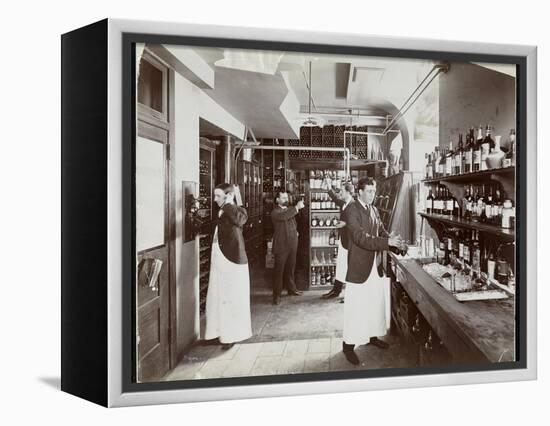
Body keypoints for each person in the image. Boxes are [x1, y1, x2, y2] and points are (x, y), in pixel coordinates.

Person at [342, 177, 403, 365]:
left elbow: (381, 231)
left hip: (374, 267)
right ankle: (348, 346)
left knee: (374, 304)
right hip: (359, 267)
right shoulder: (352, 210)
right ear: (359, 192)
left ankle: (371, 337)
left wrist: (394, 241)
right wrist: (387, 243)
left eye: (373, 191)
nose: (372, 195)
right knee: (356, 308)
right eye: (369, 191)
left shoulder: (374, 209)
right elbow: (361, 238)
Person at [204, 183, 252, 350]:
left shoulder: (237, 211)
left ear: (228, 196)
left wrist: (230, 203)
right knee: (216, 295)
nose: (215, 199)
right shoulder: (222, 211)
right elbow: (214, 227)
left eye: (218, 196)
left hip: (232, 260)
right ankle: (216, 332)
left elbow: (240, 220)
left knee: (231, 298)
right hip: (219, 258)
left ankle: (232, 335)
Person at [271, 191, 305, 305]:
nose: (286, 199)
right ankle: (276, 295)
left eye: (287, 197)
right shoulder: (275, 212)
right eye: (283, 197)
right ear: (277, 200)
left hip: (292, 243)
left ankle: (291, 289)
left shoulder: (288, 209)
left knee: (291, 268)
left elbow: (292, 220)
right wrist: (296, 207)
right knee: (279, 271)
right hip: (281, 244)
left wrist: (296, 232)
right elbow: (285, 216)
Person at [322, 182, 355, 300]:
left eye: (342, 191)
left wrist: (345, 224)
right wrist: (328, 189)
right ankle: (336, 291)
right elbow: (336, 200)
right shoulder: (345, 203)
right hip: (343, 240)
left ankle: (349, 295)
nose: (340, 193)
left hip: (350, 242)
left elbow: (358, 224)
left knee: (350, 267)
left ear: (348, 192)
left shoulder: (354, 205)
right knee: (341, 266)